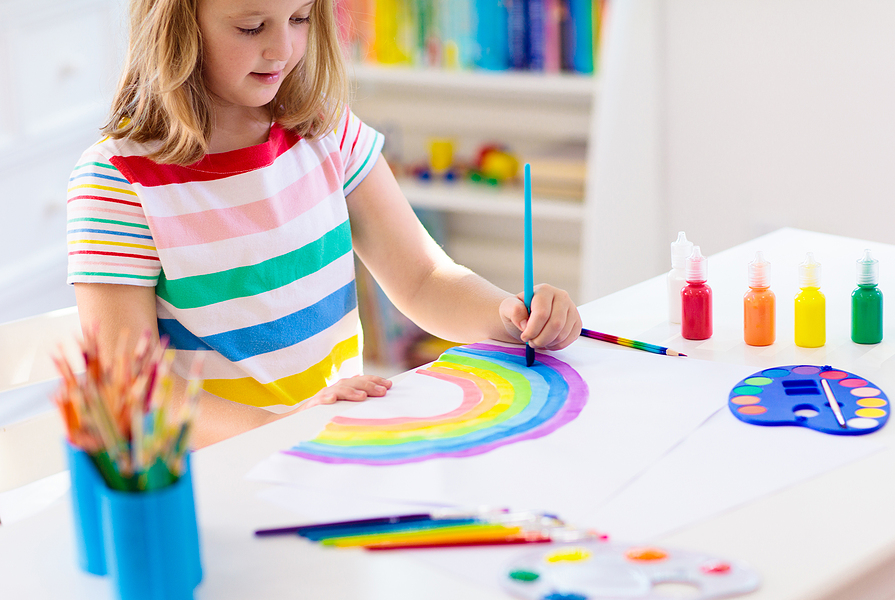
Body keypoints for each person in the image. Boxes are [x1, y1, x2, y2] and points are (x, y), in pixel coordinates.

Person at [66, 0, 582, 448]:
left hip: (330, 448)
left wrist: (511, 317)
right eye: (251, 27)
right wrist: (282, 428)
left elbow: (424, 278)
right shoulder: (116, 181)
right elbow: (134, 388)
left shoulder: (326, 130)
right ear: (176, 26)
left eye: (300, 17)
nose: (283, 49)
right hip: (216, 478)